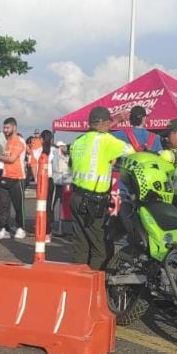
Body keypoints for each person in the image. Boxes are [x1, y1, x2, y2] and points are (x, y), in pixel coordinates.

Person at [68, 106, 133, 270]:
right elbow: (131, 151)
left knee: (81, 246)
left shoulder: (78, 141)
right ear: (105, 123)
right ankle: (96, 288)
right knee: (101, 249)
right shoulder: (106, 140)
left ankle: (78, 284)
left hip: (76, 198)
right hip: (93, 203)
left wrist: (116, 120)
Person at [0, 117, 27, 239]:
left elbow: (11, 159)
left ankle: (21, 228)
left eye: (7, 127)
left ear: (14, 127)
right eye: (4, 127)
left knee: (18, 206)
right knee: (3, 205)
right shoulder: (8, 142)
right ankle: (4, 229)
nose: (5, 130)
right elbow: (5, 157)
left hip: (18, 178)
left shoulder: (19, 141)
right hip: (5, 176)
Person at [49, 138, 71, 240]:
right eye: (61, 146)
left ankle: (63, 228)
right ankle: (51, 226)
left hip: (66, 184)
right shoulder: (56, 157)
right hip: (57, 183)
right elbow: (58, 170)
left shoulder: (68, 157)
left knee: (65, 206)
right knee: (52, 205)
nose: (63, 148)